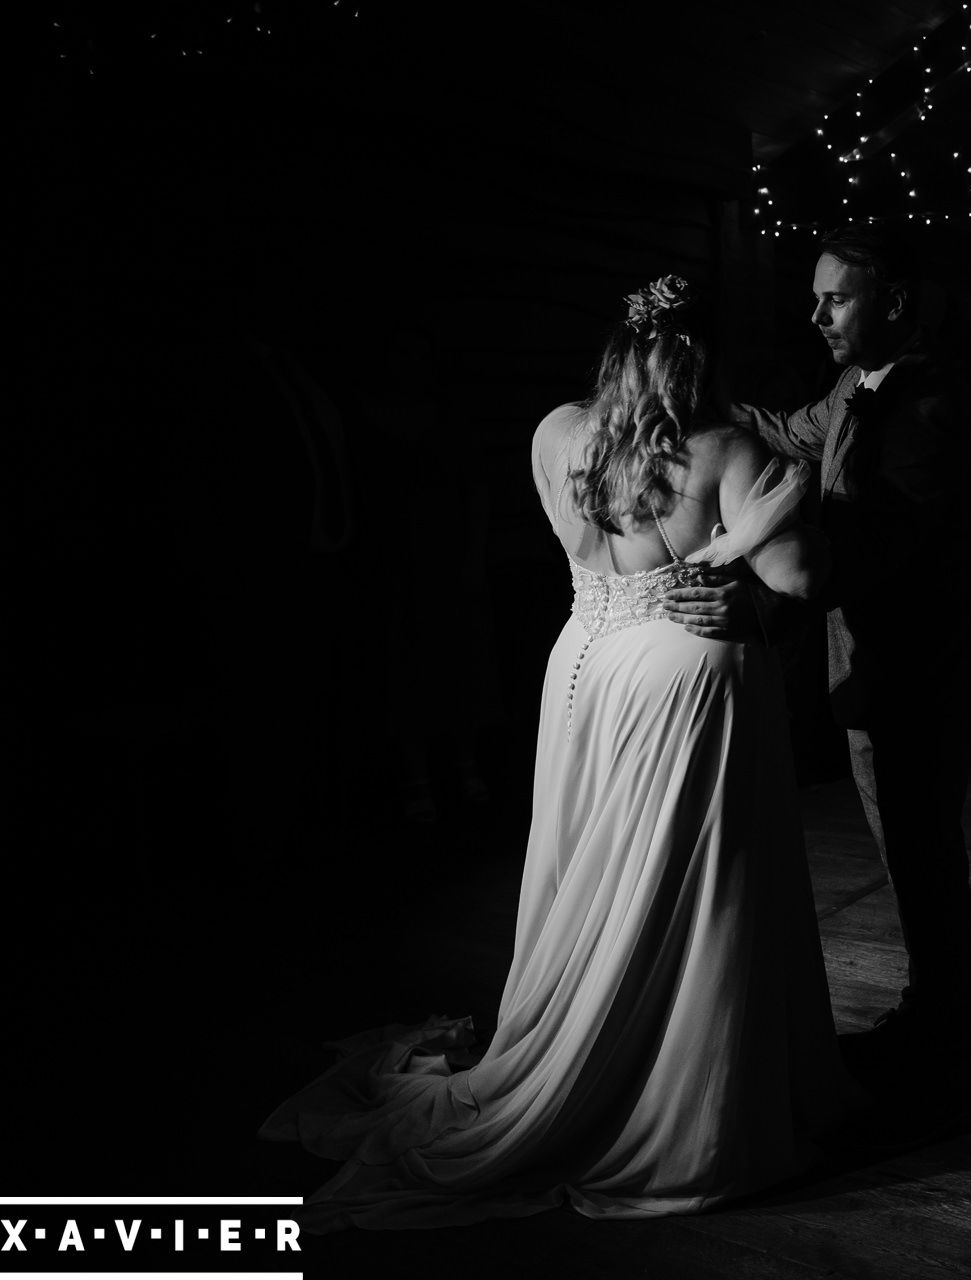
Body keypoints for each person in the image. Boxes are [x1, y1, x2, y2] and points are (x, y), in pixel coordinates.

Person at [260, 276, 850, 1229]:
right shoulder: (729, 449)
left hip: (582, 665)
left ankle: (582, 1030)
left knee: (590, 867)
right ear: (709, 361)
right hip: (681, 674)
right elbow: (801, 576)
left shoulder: (556, 434)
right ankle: (670, 1081)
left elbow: (582, 551)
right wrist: (763, 523)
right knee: (682, 887)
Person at [666, 223, 971, 1074]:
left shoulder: (928, 405)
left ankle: (943, 1033)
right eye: (813, 298)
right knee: (904, 849)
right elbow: (789, 428)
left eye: (834, 298)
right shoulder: (855, 381)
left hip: (913, 668)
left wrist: (762, 608)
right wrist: (701, 411)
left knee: (922, 851)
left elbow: (874, 557)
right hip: (870, 668)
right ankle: (934, 1013)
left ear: (894, 301)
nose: (816, 314)